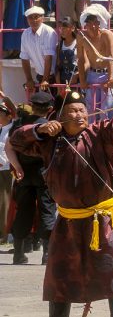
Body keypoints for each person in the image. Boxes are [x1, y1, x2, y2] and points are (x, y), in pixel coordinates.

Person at [10, 90, 113, 317]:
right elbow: (16, 141)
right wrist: (41, 130)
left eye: (82, 110)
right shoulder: (50, 139)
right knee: (59, 271)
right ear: (59, 116)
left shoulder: (100, 132)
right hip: (68, 218)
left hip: (101, 219)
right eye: (72, 112)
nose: (79, 115)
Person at [5, 92, 56, 265]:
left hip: (23, 174)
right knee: (47, 211)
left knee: (23, 211)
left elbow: (9, 147)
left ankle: (18, 254)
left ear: (31, 106)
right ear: (50, 109)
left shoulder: (19, 124)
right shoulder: (51, 127)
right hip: (44, 174)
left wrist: (17, 167)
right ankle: (47, 255)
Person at [76, 5, 113, 121]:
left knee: (106, 110)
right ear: (85, 24)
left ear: (100, 23)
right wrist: (82, 80)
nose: (93, 26)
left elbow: (110, 57)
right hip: (92, 74)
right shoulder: (81, 36)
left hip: (107, 73)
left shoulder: (107, 35)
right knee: (91, 110)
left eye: (96, 22)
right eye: (89, 23)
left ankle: (108, 135)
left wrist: (110, 79)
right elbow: (81, 59)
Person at [20, 6, 58, 94]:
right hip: (41, 77)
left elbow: (48, 58)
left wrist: (45, 79)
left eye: (36, 17)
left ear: (42, 18)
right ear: (27, 20)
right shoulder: (25, 34)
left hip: (54, 77)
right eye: (30, 17)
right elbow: (24, 58)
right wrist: (29, 79)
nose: (34, 20)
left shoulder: (49, 32)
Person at [0, 97, 15, 243]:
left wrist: (5, 97)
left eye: (1, 113)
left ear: (9, 116)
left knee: (4, 203)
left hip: (5, 169)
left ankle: (3, 235)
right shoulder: (1, 128)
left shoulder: (12, 128)